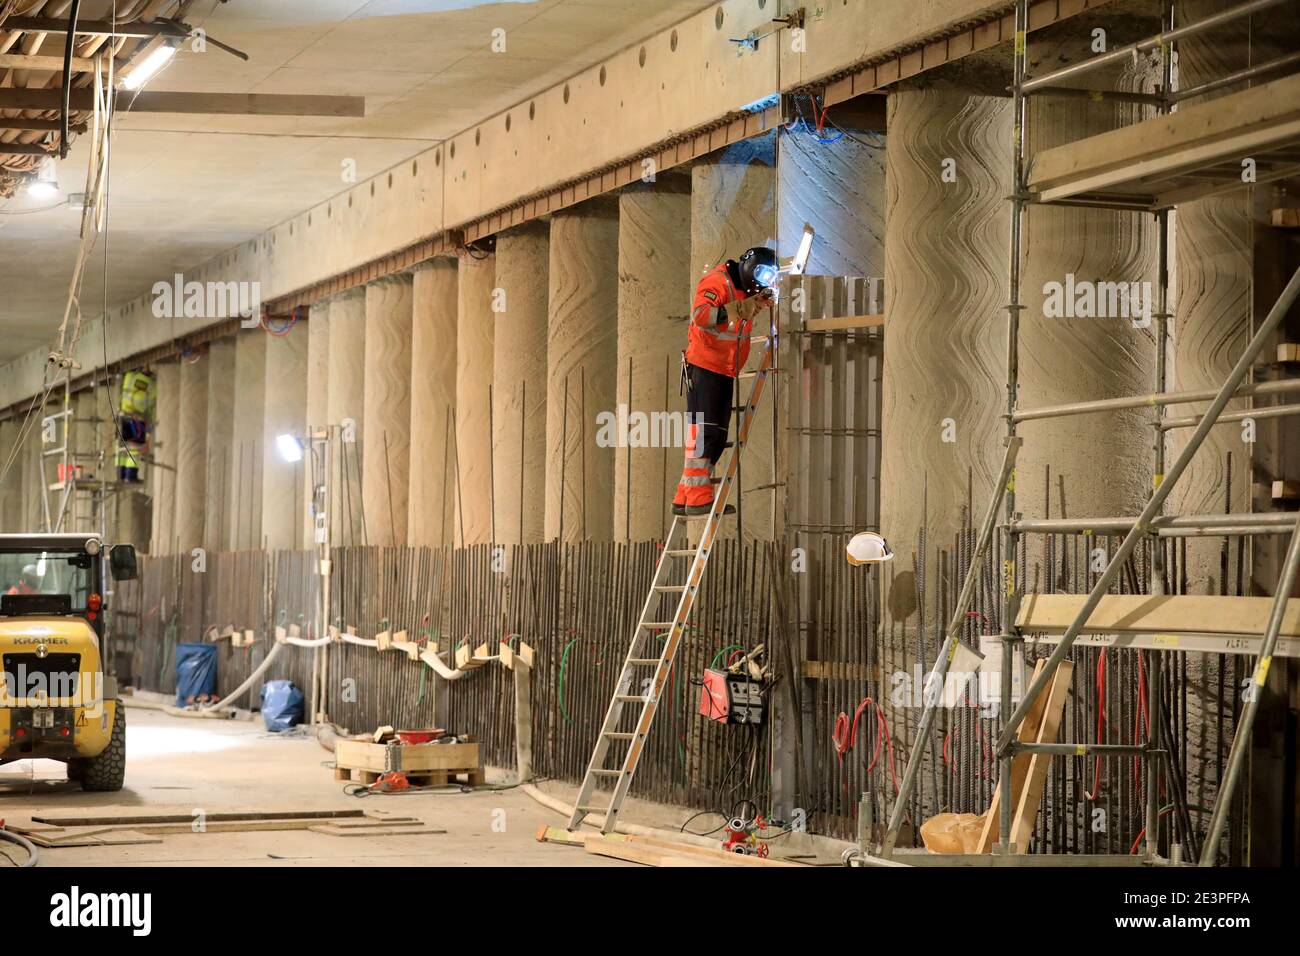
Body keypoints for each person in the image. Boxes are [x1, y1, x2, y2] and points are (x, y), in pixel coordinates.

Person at [672, 246, 779, 517]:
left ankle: (685, 495)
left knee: (716, 435)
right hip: (705, 366)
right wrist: (738, 308)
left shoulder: (745, 291)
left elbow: (740, 315)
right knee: (704, 433)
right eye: (762, 274)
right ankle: (696, 498)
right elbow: (701, 315)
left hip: (723, 369)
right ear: (749, 267)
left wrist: (755, 303)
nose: (763, 280)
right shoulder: (717, 282)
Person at [116, 367, 156, 483]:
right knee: (134, 449)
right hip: (136, 420)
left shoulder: (130, 376)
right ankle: (131, 476)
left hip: (122, 416)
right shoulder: (152, 385)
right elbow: (151, 410)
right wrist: (150, 429)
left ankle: (120, 475)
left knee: (121, 449)